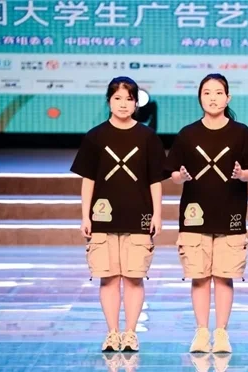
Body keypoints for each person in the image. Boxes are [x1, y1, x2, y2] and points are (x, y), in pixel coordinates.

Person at [165, 73, 248, 353]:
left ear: (228, 98)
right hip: (194, 215)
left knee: (224, 275)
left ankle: (221, 333)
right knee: (199, 276)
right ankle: (201, 332)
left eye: (219, 93)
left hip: (230, 213)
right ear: (200, 98)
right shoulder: (188, 134)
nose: (213, 98)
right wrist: (181, 177)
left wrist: (241, 174)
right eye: (207, 93)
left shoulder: (240, 132)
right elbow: (173, 173)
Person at [70, 76, 165, 352]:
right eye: (117, 98)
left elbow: (155, 180)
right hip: (102, 217)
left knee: (134, 277)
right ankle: (112, 333)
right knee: (109, 277)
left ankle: (131, 333)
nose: (123, 104)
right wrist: (85, 215)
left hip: (139, 216)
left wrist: (158, 214)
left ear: (136, 103)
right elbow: (88, 179)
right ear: (109, 101)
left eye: (129, 99)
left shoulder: (147, 137)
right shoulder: (96, 136)